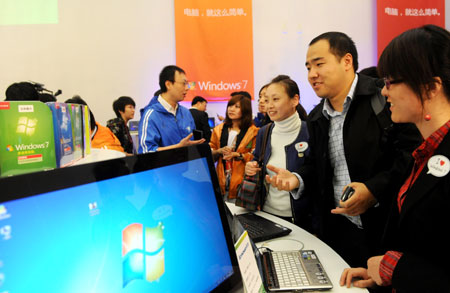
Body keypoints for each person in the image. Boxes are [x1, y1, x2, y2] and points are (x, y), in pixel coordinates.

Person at [264, 31, 421, 268]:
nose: (312, 74)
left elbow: (413, 154)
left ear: (347, 61)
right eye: (308, 67)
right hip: (340, 232)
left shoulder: (383, 97)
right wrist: (297, 179)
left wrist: (373, 190)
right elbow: (317, 165)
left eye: (319, 64)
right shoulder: (317, 117)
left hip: (387, 228)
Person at [340, 24, 450, 292]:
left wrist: (395, 269)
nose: (384, 92)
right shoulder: (424, 153)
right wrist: (381, 274)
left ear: (431, 87)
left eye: (390, 82)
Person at [245, 75, 312, 230]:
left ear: (295, 100)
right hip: (267, 213)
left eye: (275, 99)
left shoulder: (310, 131)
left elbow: (318, 172)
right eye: (266, 100)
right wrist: (251, 166)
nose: (269, 105)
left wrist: (297, 179)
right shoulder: (264, 132)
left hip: (302, 218)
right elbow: (257, 159)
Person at [138, 65, 204, 153]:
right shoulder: (151, 115)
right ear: (168, 84)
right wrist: (177, 147)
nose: (187, 88)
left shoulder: (186, 113)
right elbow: (145, 152)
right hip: (165, 166)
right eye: (183, 83)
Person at [210, 94, 259, 200]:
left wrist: (238, 154)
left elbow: (256, 155)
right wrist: (219, 151)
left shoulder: (253, 131)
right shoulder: (218, 129)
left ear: (245, 110)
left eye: (237, 107)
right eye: (230, 106)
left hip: (242, 180)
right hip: (221, 177)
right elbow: (211, 149)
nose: (231, 109)